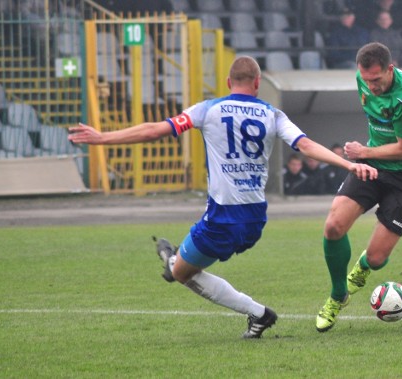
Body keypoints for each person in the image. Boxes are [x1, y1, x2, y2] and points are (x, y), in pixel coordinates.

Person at [68, 56, 378, 339]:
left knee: (181, 273)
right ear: (258, 84)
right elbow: (305, 145)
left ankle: (257, 313)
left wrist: (103, 138)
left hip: (223, 217)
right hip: (256, 219)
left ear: (229, 83)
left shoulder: (208, 109)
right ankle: (179, 259)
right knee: (186, 266)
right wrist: (348, 163)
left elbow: (154, 130)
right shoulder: (272, 113)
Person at [315, 42, 402, 332]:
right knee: (333, 226)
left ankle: (363, 268)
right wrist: (366, 156)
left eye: (376, 80)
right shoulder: (362, 79)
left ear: (390, 69)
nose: (371, 86)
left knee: (378, 259)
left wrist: (363, 152)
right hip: (372, 167)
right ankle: (337, 294)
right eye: (366, 80)